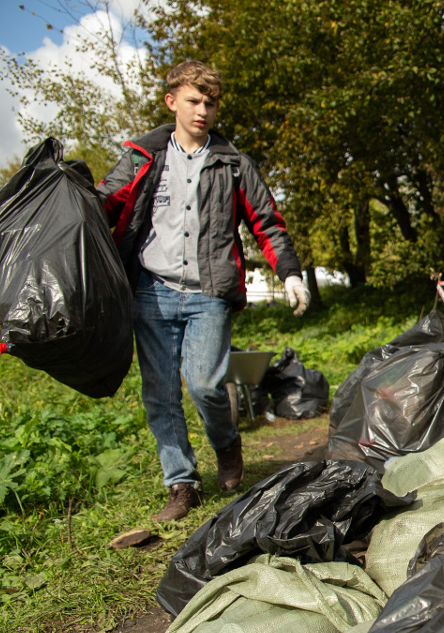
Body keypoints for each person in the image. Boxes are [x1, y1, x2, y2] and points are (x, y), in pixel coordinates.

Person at [97, 60, 311, 522]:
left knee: (206, 385)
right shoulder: (142, 157)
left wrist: (290, 272)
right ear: (172, 101)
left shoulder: (234, 163)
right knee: (159, 393)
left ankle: (227, 442)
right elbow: (103, 202)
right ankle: (181, 483)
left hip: (209, 293)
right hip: (150, 291)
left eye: (210, 103)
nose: (203, 110)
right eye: (194, 100)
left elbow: (267, 221)